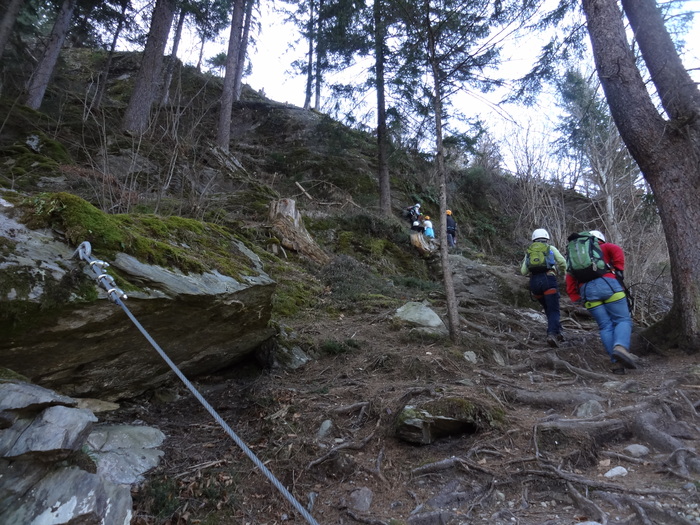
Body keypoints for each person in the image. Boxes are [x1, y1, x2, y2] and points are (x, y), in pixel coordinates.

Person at [565, 230, 637, 374]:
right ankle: (620, 347)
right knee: (623, 320)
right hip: (609, 286)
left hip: (588, 292)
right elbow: (617, 250)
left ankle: (617, 364)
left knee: (605, 326)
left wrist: (575, 297)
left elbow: (569, 277)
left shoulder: (575, 256)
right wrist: (619, 270)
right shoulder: (604, 247)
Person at [521, 228, 567, 348]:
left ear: (534, 239)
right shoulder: (550, 248)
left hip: (534, 283)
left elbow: (523, 271)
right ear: (546, 238)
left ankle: (558, 331)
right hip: (548, 280)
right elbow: (562, 262)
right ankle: (551, 334)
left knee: (548, 308)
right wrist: (562, 273)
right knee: (554, 310)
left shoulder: (529, 252)